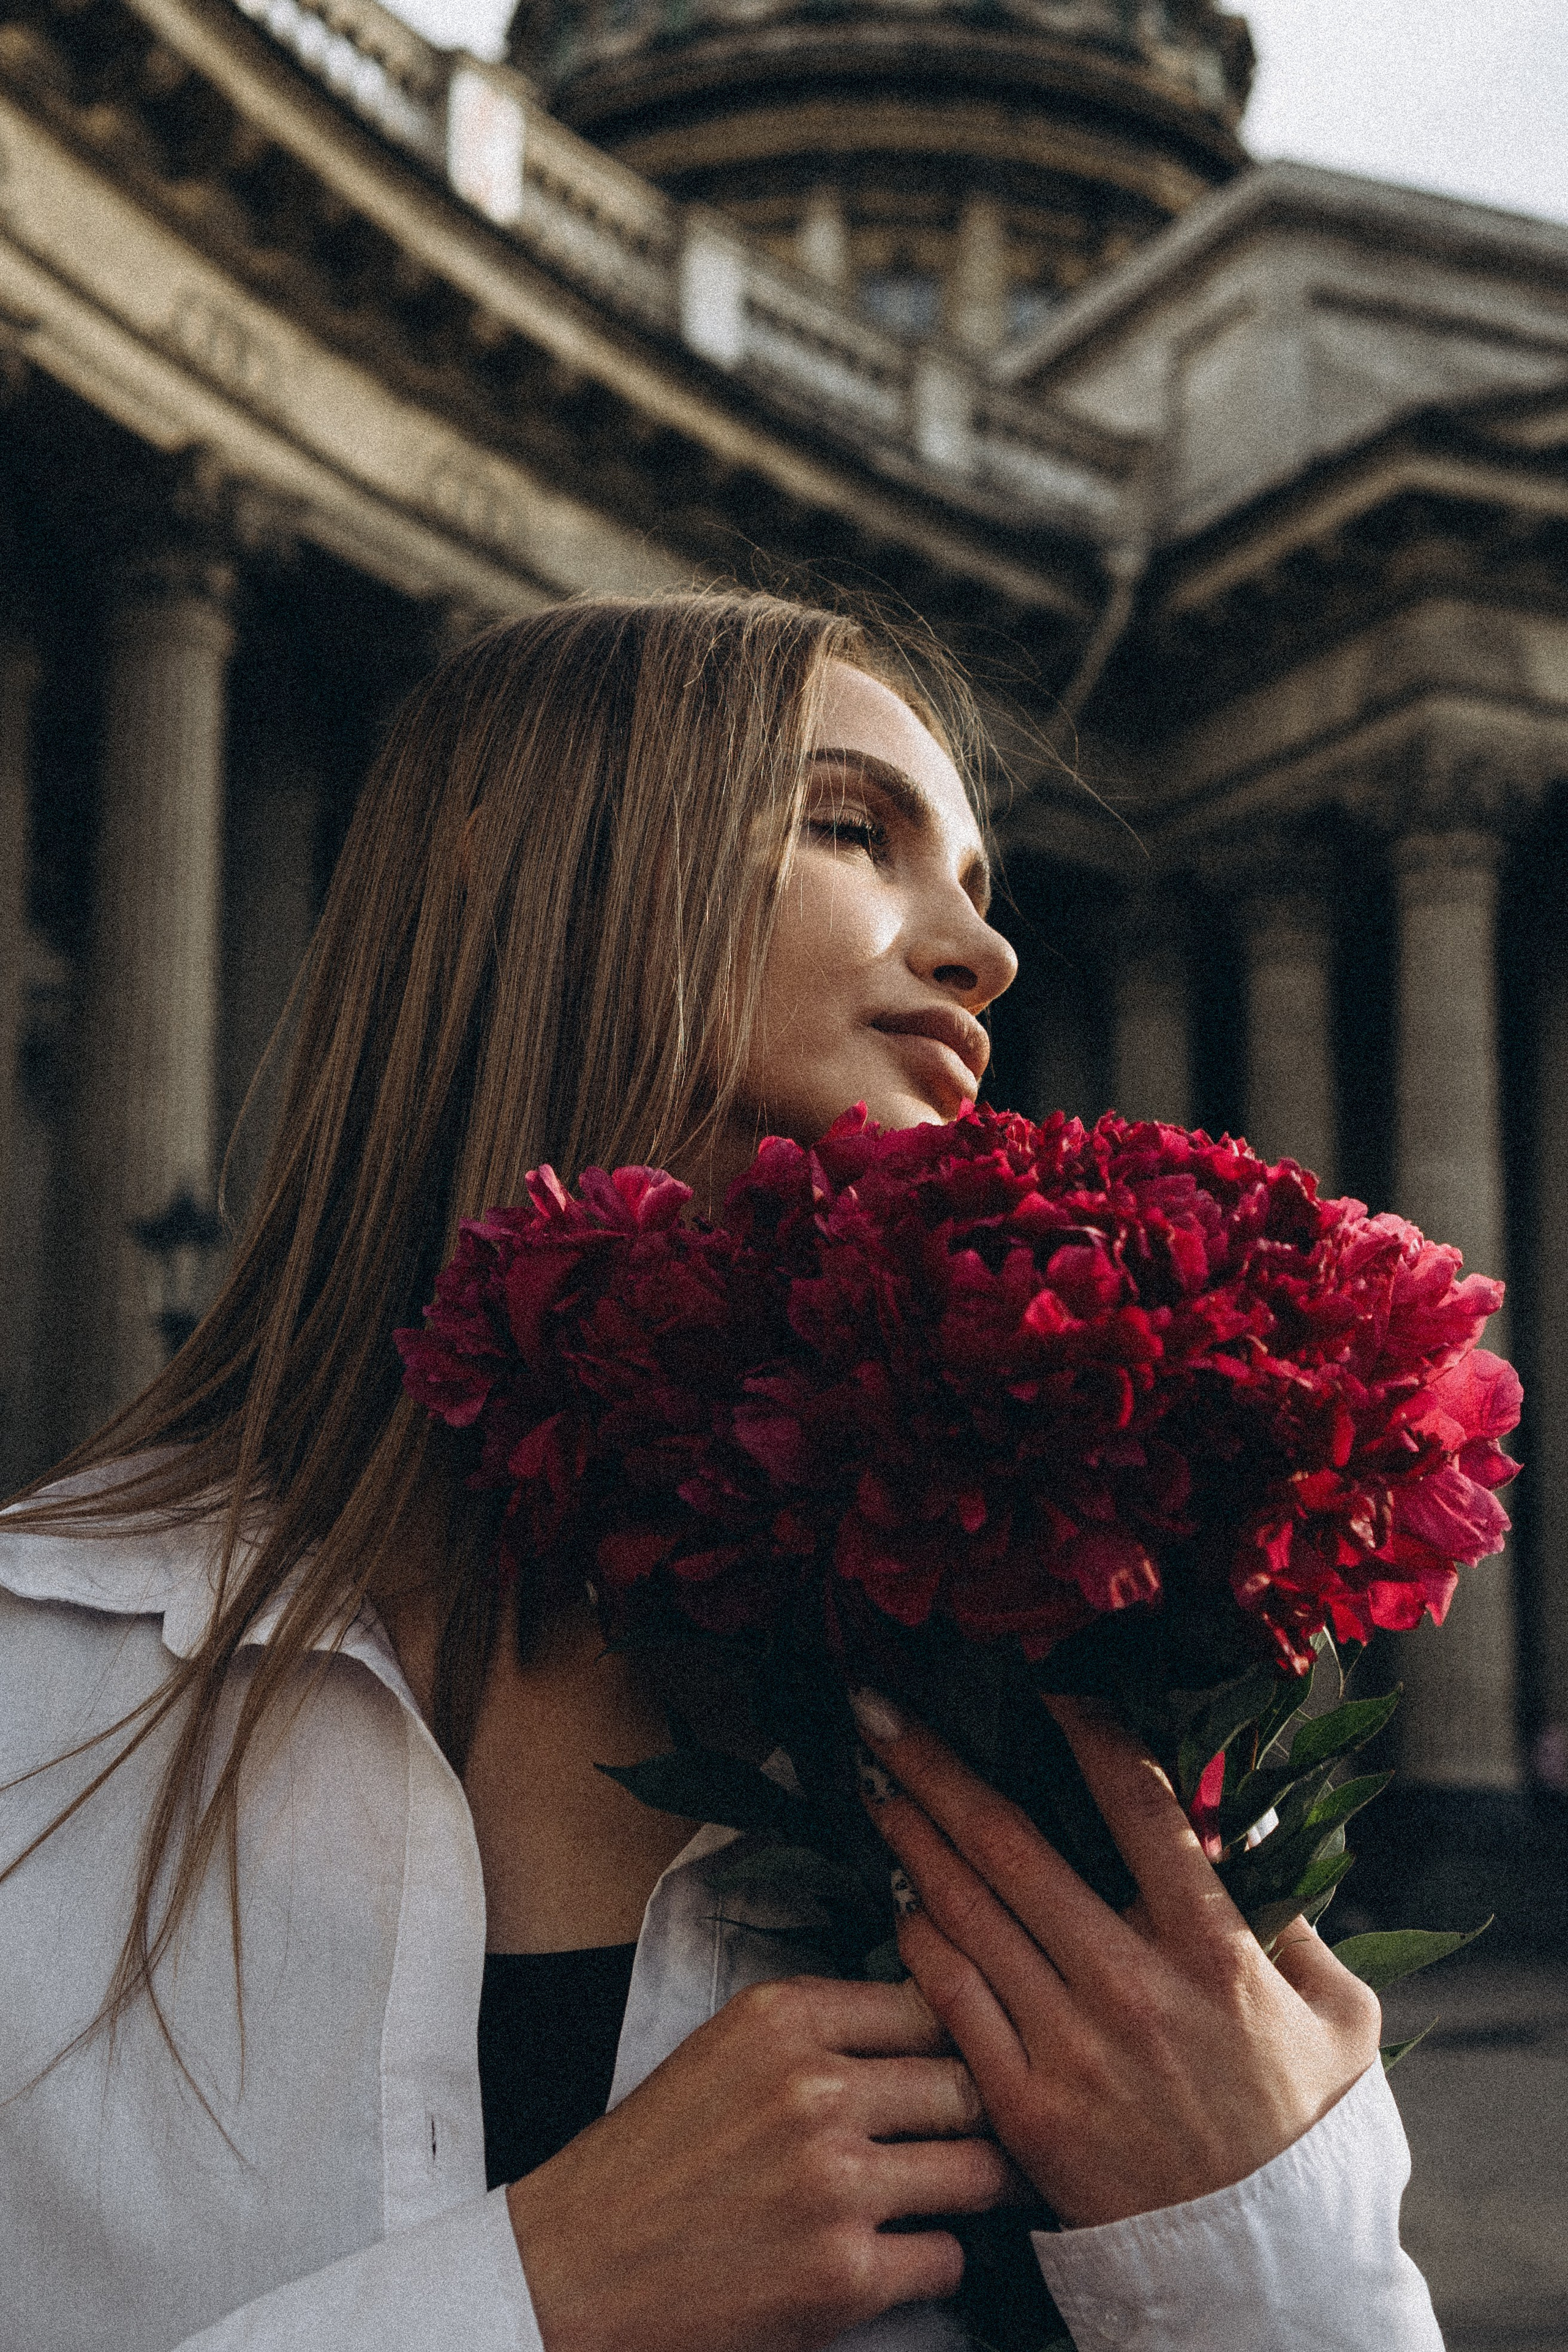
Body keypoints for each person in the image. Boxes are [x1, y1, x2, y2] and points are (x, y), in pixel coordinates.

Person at [0, 592, 1442, 2352]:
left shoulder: (1043, 1701)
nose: (983, 955)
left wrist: (1259, 2237)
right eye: (853, 825)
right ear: (519, 875)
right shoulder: (32, 1679)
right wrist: (538, 2297)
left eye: (985, 885)